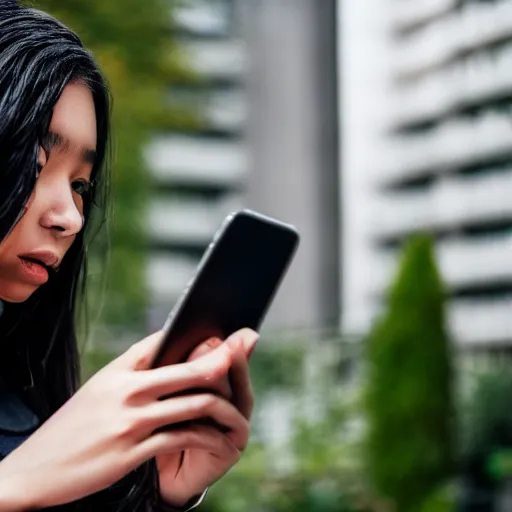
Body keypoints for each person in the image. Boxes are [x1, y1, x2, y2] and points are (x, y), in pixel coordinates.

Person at [0, 1, 258, 510]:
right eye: (34, 165)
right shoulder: (39, 449)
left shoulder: (27, 408)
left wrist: (156, 495)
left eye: (79, 185)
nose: (70, 217)